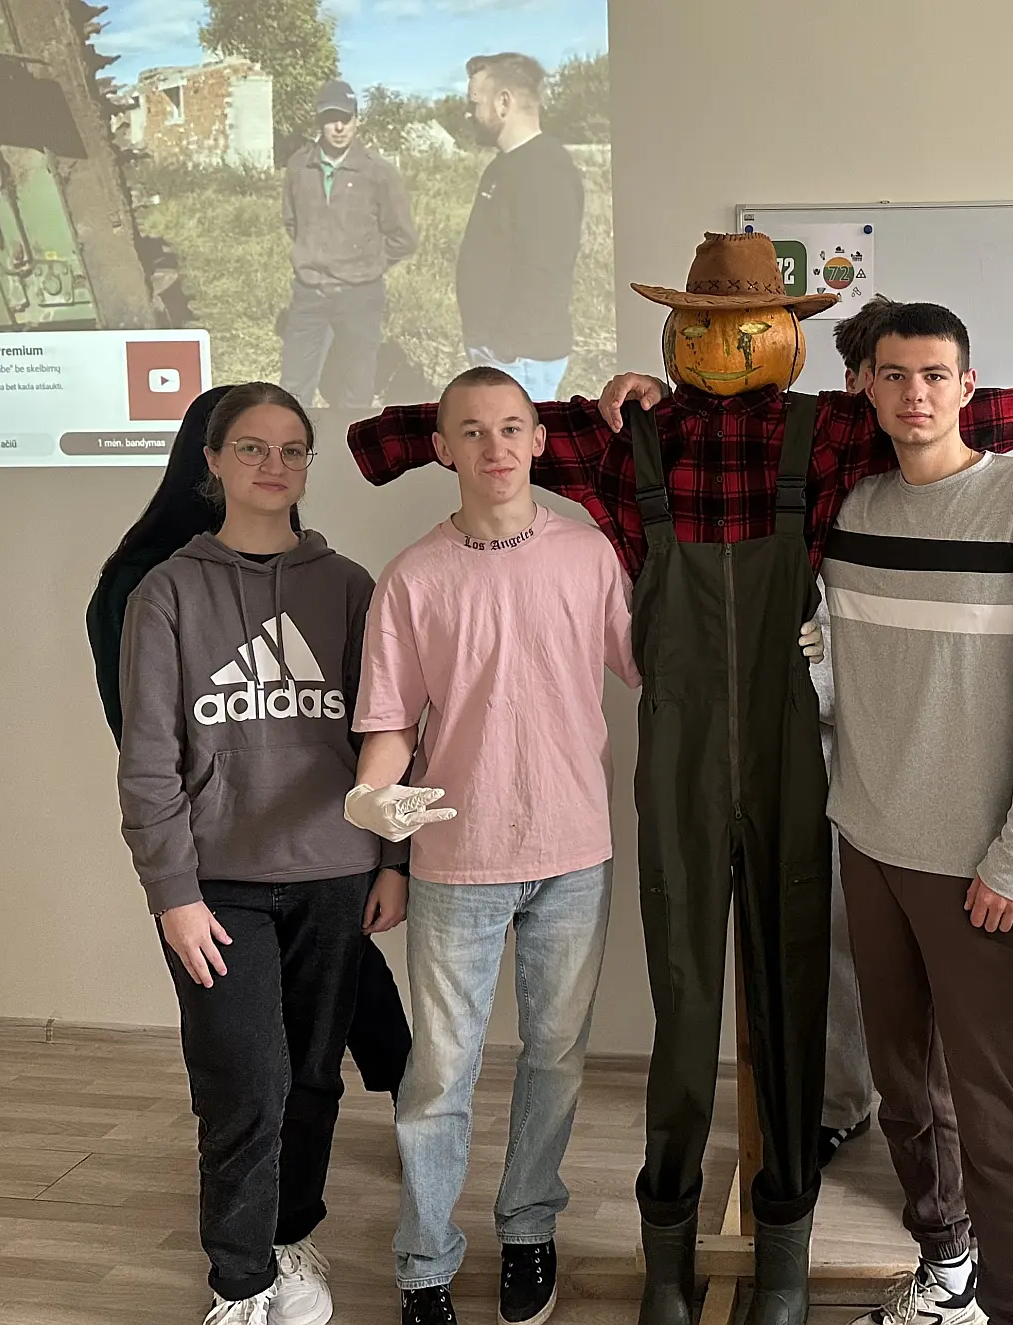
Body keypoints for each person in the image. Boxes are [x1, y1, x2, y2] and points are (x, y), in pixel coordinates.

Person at [346, 232, 1013, 1325]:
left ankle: (783, 1250)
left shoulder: (829, 429)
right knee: (686, 1008)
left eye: (751, 324)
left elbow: (943, 406)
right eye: (706, 324)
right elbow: (478, 425)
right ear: (676, 331)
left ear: (788, 332)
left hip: (797, 760)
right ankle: (668, 1254)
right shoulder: (628, 439)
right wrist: (385, 442)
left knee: (793, 1012)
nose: (730, 342)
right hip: (682, 759)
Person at [823, 302, 1013, 1325]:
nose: (915, 393)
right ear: (867, 387)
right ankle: (947, 1267)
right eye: (894, 374)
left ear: (968, 386)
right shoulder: (853, 509)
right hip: (869, 842)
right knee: (903, 1089)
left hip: (983, 865)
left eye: (935, 374)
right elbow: (847, 664)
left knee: (992, 1111)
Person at [345, 366, 635, 1325]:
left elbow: (653, 665)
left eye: (512, 426)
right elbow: (390, 720)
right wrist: (372, 797)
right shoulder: (412, 577)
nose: (495, 445)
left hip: (573, 849)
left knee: (556, 1056)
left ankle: (529, 1227)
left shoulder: (589, 554)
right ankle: (423, 1262)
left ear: (540, 440)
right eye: (471, 430)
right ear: (442, 449)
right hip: (456, 858)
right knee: (439, 1071)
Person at [115, 382, 409, 1325]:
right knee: (244, 1082)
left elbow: (388, 730)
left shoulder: (349, 586)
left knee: (314, 1078)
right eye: (251, 447)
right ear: (212, 460)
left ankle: (289, 1238)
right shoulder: (166, 592)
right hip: (216, 888)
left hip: (334, 873)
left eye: (291, 449)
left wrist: (392, 861)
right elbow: (148, 758)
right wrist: (172, 892)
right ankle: (239, 1283)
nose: (272, 465)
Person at [810, 296, 903, 1169]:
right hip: (832, 745)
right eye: (878, 373)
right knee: (837, 937)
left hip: (930, 749)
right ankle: (842, 1098)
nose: (899, 392)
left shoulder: (961, 482)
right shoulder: (826, 475)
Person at [280, 80, 418, 410]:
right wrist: (315, 254)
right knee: (294, 386)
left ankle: (349, 443)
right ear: (319, 122)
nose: (339, 127)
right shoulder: (299, 167)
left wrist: (367, 266)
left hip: (360, 295)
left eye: (346, 118)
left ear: (357, 120)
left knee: (356, 388)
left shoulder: (378, 172)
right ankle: (295, 440)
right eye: (331, 119)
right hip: (309, 292)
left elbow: (403, 237)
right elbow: (292, 221)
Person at [456, 53, 584, 401]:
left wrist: (507, 347)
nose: (467, 113)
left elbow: (546, 269)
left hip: (520, 358)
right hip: (500, 353)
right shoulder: (503, 167)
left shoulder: (545, 169)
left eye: (473, 103)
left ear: (503, 102)